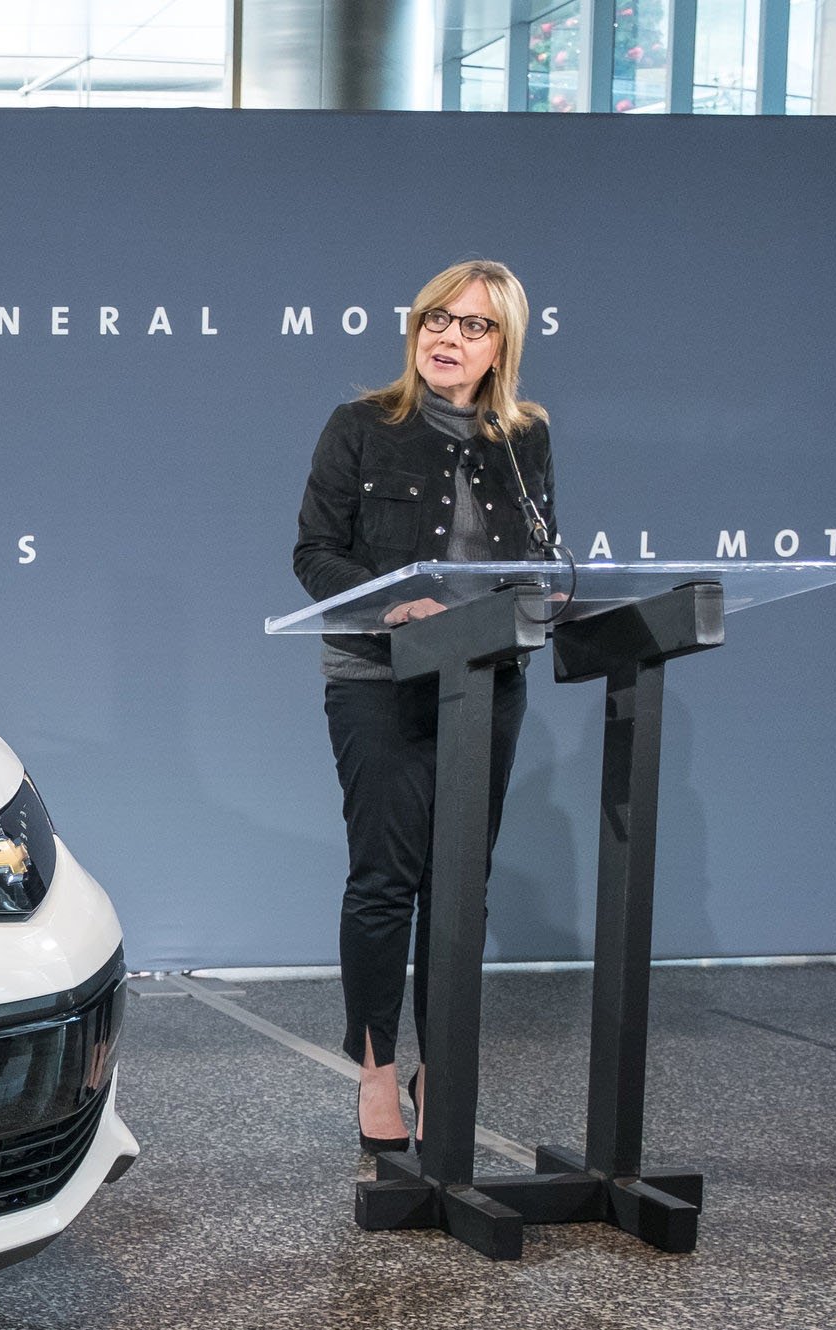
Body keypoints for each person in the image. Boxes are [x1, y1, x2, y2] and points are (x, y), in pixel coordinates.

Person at [293, 259, 555, 1155]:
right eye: (436, 319)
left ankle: (441, 1064)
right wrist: (391, 600)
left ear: (503, 344)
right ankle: (374, 1070)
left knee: (461, 884)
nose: (448, 337)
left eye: (473, 326)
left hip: (485, 682)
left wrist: (547, 590)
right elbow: (316, 553)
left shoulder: (526, 436)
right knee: (384, 880)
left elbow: (537, 555)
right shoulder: (361, 426)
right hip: (378, 682)